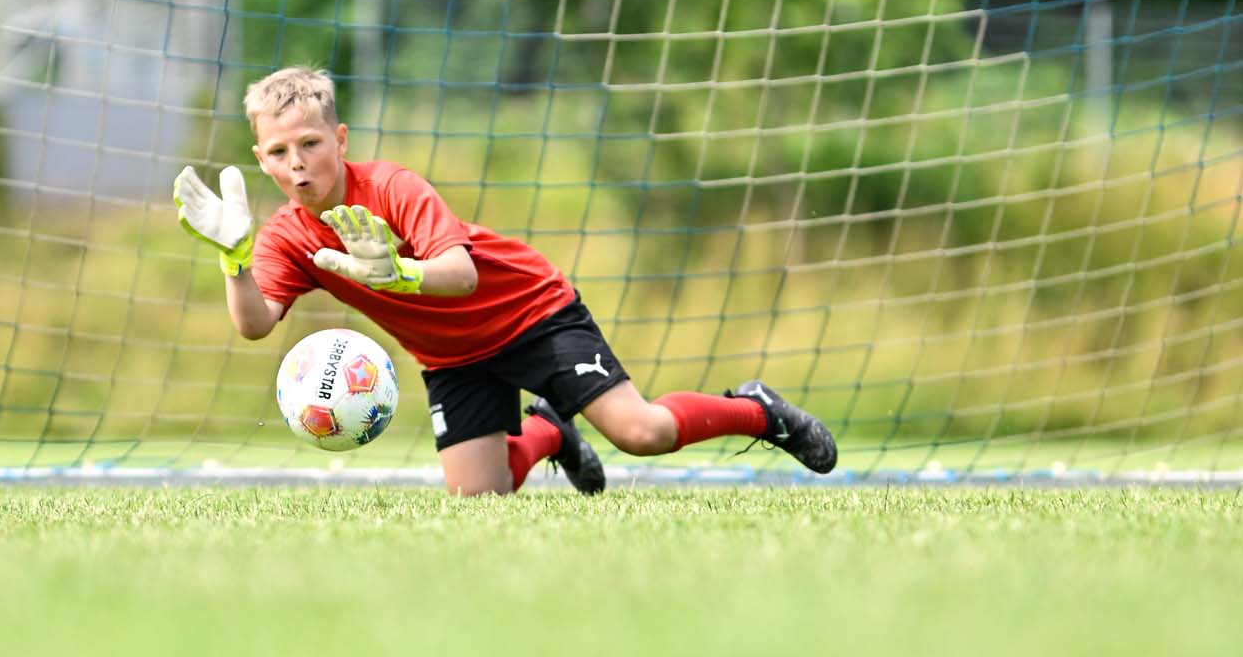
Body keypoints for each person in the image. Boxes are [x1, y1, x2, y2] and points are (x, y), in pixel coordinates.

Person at [173, 66, 837, 496]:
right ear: (262, 160)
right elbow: (255, 324)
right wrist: (233, 259)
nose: (297, 163)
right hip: (453, 359)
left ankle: (760, 410)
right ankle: (549, 430)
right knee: (479, 500)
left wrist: (398, 273)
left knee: (643, 435)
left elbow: (460, 276)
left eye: (310, 144)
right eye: (280, 152)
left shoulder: (393, 187)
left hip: (531, 314)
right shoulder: (284, 236)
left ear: (339, 140)